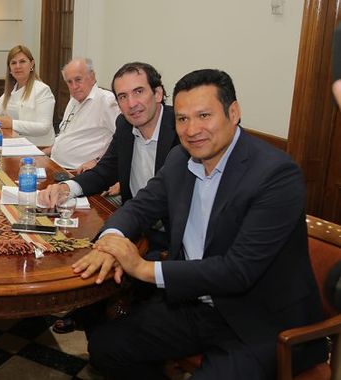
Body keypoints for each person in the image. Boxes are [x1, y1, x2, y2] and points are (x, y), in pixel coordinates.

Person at [76, 69, 327, 379]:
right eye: (182, 119)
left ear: (233, 113)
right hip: (195, 304)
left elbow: (238, 271)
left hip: (258, 322)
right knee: (106, 347)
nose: (192, 129)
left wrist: (141, 268)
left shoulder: (276, 174)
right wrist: (110, 241)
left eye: (204, 115)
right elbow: (140, 207)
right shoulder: (181, 159)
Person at [38, 61, 180, 334]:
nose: (131, 104)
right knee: (83, 240)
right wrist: (68, 188)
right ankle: (88, 311)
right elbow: (105, 171)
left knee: (105, 252)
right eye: (123, 97)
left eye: (139, 92)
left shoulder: (180, 129)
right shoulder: (125, 126)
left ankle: (103, 315)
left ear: (159, 93)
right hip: (133, 218)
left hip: (169, 230)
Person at [43, 57, 120, 172]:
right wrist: (44, 152)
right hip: (56, 165)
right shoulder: (74, 100)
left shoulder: (106, 101)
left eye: (78, 79)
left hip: (80, 173)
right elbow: (69, 135)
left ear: (92, 77)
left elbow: (123, 138)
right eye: (69, 82)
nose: (74, 87)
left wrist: (97, 161)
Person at [0, 45, 55, 147]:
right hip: (15, 143)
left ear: (31, 64)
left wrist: (12, 123)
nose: (18, 66)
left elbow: (44, 127)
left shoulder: (42, 90)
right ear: (9, 69)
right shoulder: (11, 91)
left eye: (22, 61)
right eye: (13, 63)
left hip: (39, 147)